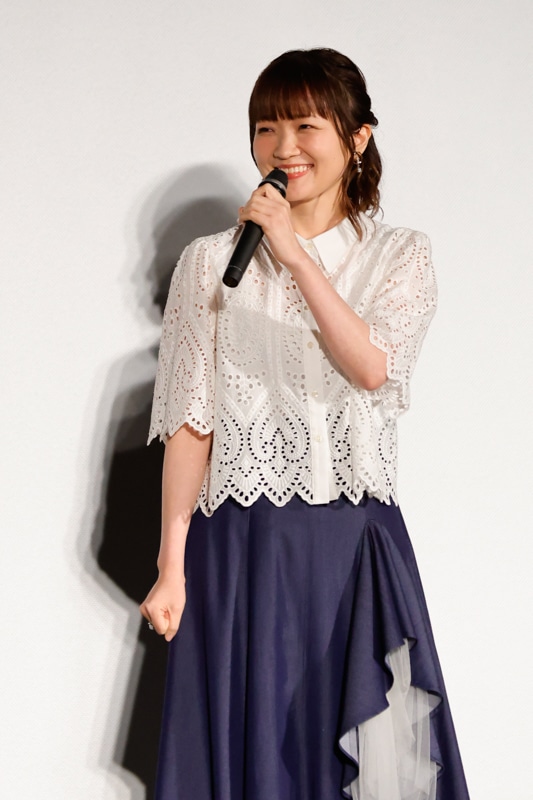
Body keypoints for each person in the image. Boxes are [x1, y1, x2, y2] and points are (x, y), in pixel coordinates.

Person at [140, 48, 470, 800]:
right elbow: (192, 422)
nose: (282, 146)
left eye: (304, 125)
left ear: (357, 138)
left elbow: (372, 367)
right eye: (265, 127)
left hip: (352, 550)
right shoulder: (208, 264)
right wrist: (171, 566)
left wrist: (293, 253)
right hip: (240, 553)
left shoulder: (400, 255)